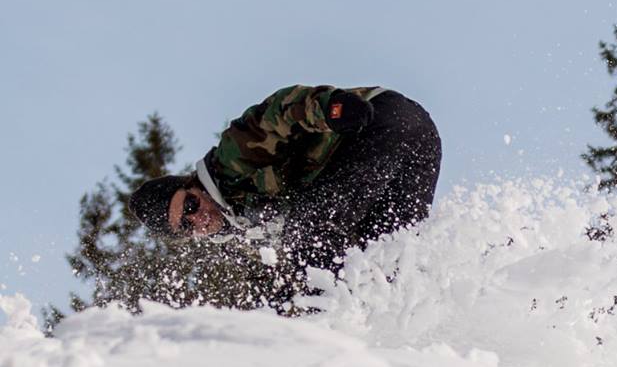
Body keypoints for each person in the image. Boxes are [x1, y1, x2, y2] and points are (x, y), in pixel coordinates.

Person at [128, 84, 441, 286]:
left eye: (190, 205)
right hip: (420, 148)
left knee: (309, 234)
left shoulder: (230, 163)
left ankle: (320, 339)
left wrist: (332, 108)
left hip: (377, 121)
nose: (198, 219)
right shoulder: (243, 230)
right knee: (386, 261)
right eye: (186, 226)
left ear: (191, 185)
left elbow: (278, 113)